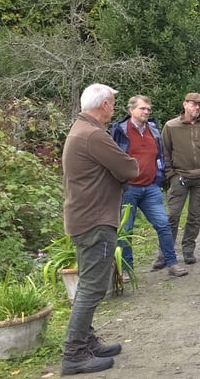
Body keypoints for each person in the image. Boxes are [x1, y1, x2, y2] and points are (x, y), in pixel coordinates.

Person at [60, 83, 139, 374]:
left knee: (88, 285)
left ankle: (86, 341)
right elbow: (129, 168)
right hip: (95, 220)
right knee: (93, 288)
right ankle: (74, 353)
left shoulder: (81, 130)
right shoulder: (93, 135)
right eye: (113, 103)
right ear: (104, 105)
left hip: (85, 218)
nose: (114, 108)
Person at [109, 95, 188, 278]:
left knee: (163, 225)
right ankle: (127, 270)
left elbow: (159, 156)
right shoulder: (120, 131)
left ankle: (172, 263)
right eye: (142, 109)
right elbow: (112, 157)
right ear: (131, 110)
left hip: (150, 188)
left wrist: (158, 178)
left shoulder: (153, 130)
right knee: (126, 230)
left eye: (148, 109)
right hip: (128, 189)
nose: (146, 112)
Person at [161, 92, 200, 265]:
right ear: (184, 104)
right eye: (193, 104)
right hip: (179, 177)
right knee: (172, 215)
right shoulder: (171, 126)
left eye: (199, 105)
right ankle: (165, 252)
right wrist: (170, 174)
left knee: (195, 216)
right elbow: (164, 151)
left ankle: (188, 250)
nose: (197, 107)